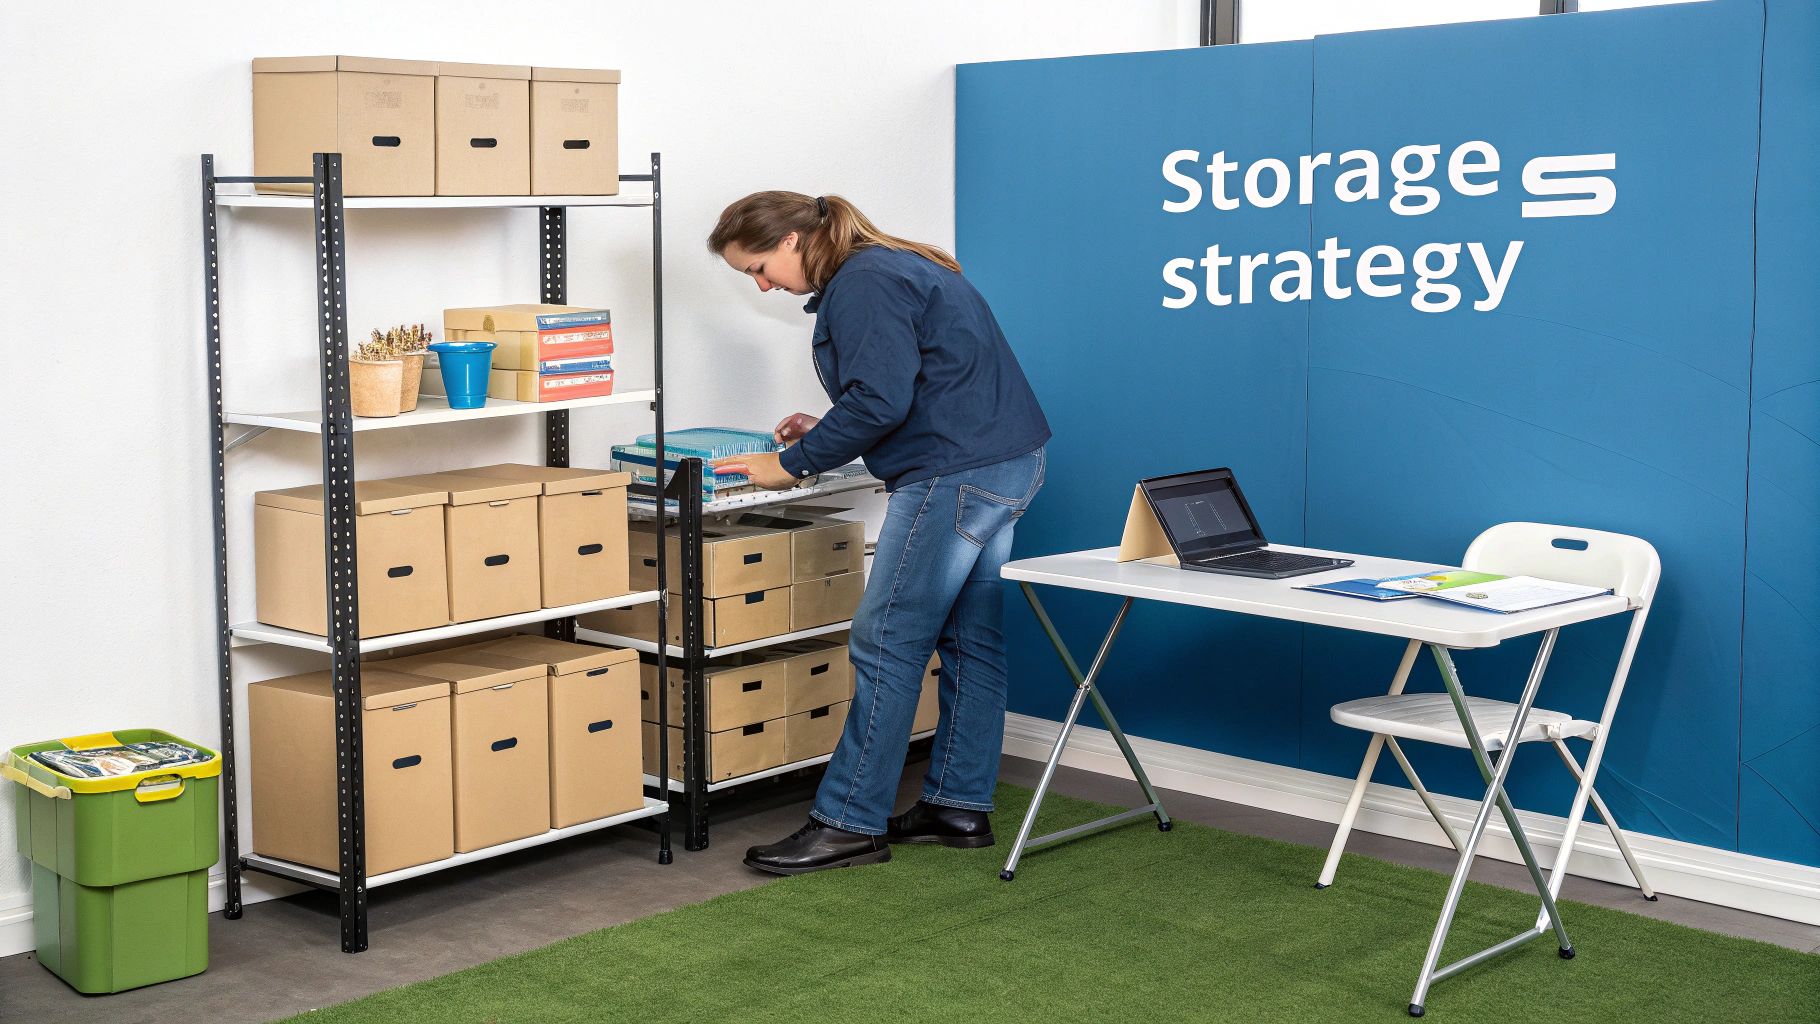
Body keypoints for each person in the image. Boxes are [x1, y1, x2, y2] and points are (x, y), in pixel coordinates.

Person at [709, 191, 1050, 875]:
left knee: (886, 640)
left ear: (794, 239)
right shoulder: (894, 264)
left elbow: (881, 400)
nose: (763, 285)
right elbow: (913, 388)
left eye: (758, 268)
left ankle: (848, 822)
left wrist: (792, 464)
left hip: (954, 477)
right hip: (1006, 464)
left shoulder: (861, 282)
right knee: (968, 638)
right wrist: (827, 430)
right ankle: (957, 804)